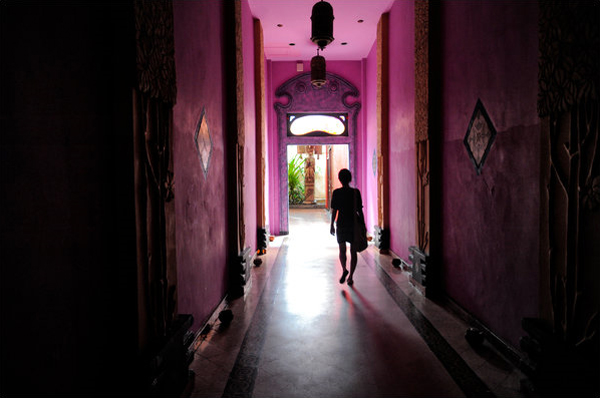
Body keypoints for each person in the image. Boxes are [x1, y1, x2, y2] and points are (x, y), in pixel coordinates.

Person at [329, 168, 365, 286]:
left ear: (339, 179)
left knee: (342, 249)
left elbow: (334, 211)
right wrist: (363, 225)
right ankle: (350, 277)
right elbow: (360, 211)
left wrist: (331, 225)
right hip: (353, 224)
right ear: (350, 179)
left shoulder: (336, 193)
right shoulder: (355, 192)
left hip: (341, 223)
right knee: (353, 251)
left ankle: (344, 269)